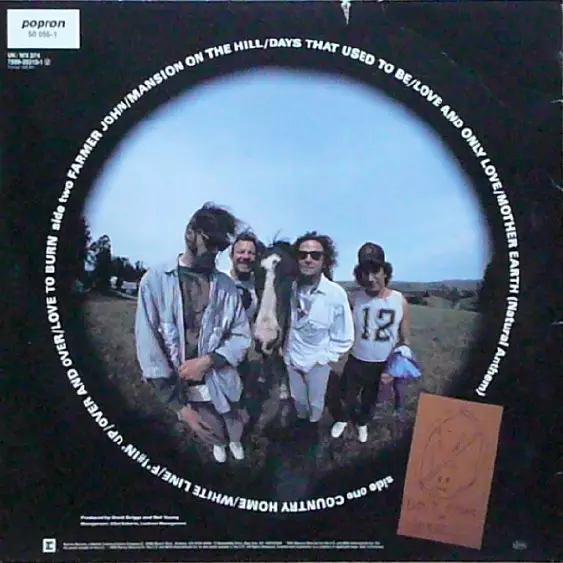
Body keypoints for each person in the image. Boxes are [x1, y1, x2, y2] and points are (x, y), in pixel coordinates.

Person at [135, 202, 252, 464]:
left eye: (222, 246)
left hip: (222, 379)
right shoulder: (154, 281)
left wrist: (209, 361)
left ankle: (234, 440)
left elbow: (241, 335)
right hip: (187, 390)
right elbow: (149, 347)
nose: (216, 251)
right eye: (211, 243)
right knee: (210, 431)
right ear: (191, 233)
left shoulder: (226, 286)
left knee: (235, 424)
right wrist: (179, 407)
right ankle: (220, 444)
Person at [330, 243, 412, 443]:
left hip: (381, 364)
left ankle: (362, 423)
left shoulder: (399, 300)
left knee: (370, 399)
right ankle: (342, 419)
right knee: (347, 396)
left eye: (375, 271)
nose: (370, 278)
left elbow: (405, 340)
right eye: (364, 272)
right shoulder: (354, 299)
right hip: (356, 360)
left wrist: (393, 369)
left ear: (385, 271)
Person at [283, 231, 354, 436]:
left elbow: (345, 336)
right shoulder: (289, 289)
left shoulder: (335, 294)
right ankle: (301, 426)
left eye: (315, 255)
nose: (308, 259)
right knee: (298, 400)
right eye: (302, 255)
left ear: (325, 261)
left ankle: (312, 431)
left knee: (316, 403)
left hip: (317, 361)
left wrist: (324, 359)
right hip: (292, 358)